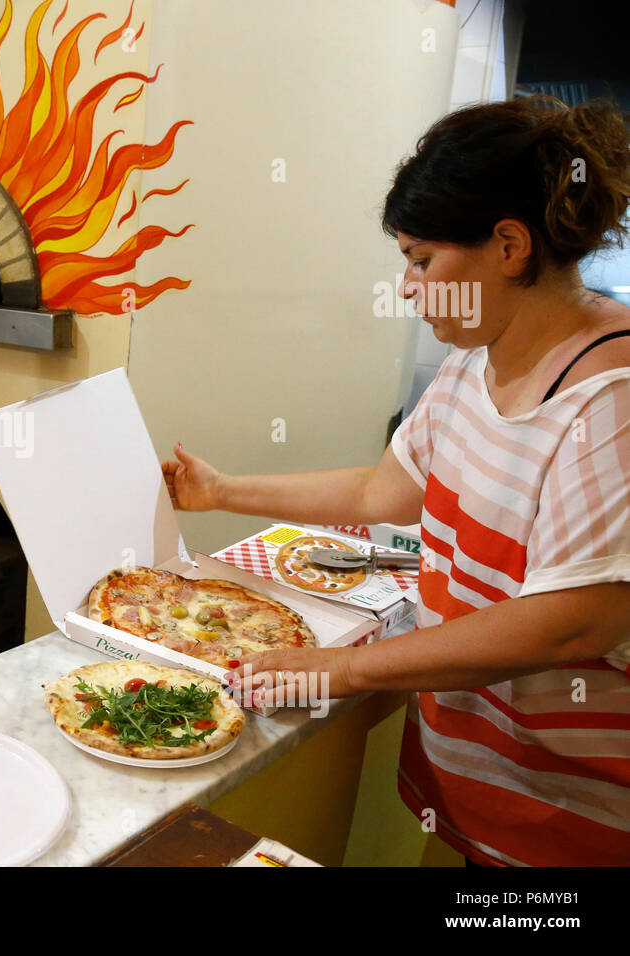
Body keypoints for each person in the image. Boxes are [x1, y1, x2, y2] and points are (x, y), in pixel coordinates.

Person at [163, 95, 630, 866]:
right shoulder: (474, 362)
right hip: (473, 782)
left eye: (420, 259)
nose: (408, 287)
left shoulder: (607, 395)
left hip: (573, 817)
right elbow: (382, 493)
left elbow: (573, 621)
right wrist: (222, 491)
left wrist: (341, 666)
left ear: (509, 245)